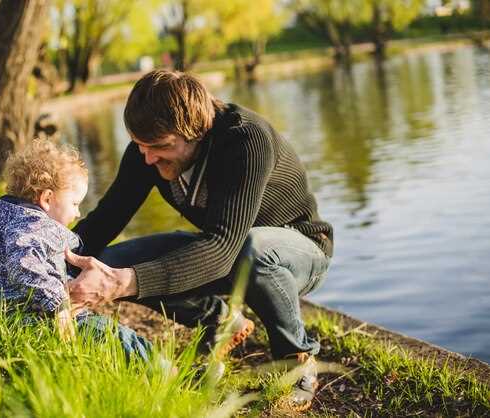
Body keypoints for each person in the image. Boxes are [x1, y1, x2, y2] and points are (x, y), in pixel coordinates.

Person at [67, 70, 333, 410]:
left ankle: (296, 358)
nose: (147, 158)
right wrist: (50, 255)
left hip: (298, 251)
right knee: (108, 263)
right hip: (228, 250)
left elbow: (223, 246)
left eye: (160, 146)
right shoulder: (146, 151)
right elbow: (107, 218)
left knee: (250, 249)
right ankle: (218, 319)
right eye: (140, 145)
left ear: (197, 130)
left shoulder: (246, 141)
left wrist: (123, 283)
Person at [0, 139, 153, 362]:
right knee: (119, 338)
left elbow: (39, 269)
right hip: (35, 317)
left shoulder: (20, 225)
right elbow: (25, 266)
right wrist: (59, 304)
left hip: (25, 313)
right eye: (75, 204)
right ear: (47, 198)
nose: (78, 213)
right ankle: (166, 373)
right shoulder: (30, 230)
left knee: (111, 334)